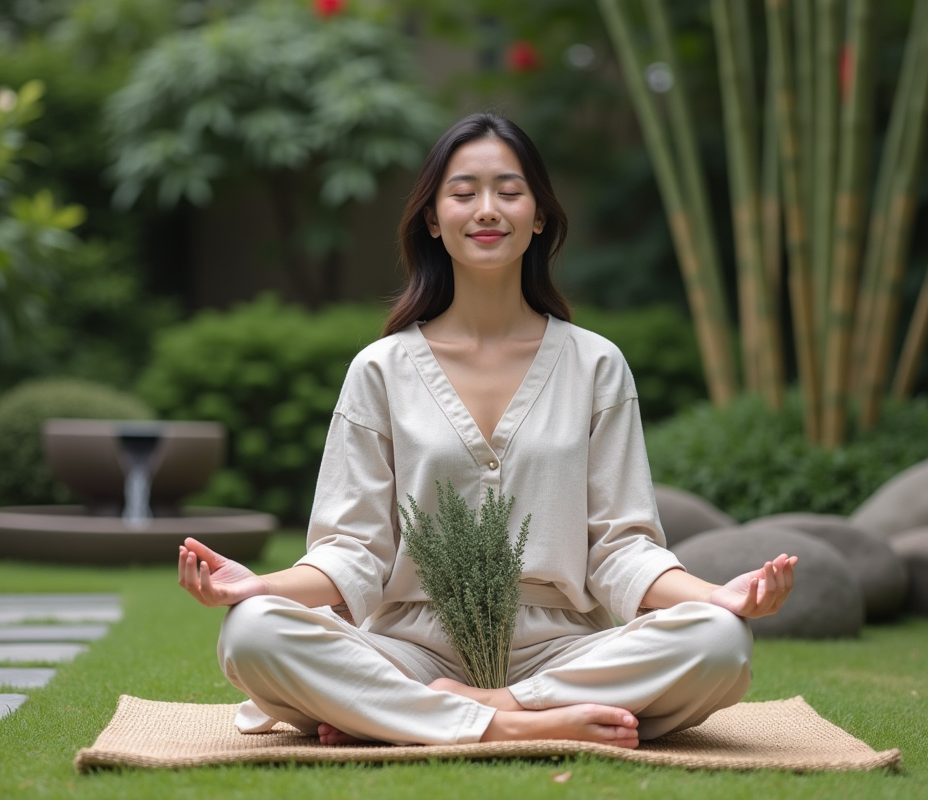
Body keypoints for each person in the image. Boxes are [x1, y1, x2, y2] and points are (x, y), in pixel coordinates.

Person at [177, 112, 797, 749]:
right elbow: (353, 550)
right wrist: (262, 586)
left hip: (558, 653)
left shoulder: (596, 365)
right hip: (411, 651)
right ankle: (518, 724)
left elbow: (622, 549)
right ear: (432, 219)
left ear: (539, 217)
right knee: (252, 630)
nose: (487, 210)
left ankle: (445, 713)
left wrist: (720, 596)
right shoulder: (380, 369)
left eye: (509, 190)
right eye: (464, 192)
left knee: (720, 642)